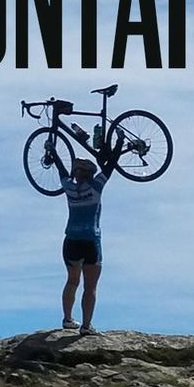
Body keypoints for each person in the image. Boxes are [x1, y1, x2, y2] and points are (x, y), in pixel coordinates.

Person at [56, 132, 125, 335]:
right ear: (90, 173)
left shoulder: (69, 187)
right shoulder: (96, 187)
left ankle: (68, 319)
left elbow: (61, 170)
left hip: (71, 240)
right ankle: (86, 326)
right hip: (91, 240)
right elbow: (111, 165)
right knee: (90, 287)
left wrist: (53, 151)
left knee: (72, 281)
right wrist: (119, 142)